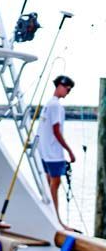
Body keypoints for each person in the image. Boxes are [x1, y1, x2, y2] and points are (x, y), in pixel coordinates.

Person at [37, 75, 76, 231]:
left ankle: (47, 217)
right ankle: (57, 221)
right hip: (53, 153)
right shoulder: (56, 106)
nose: (68, 92)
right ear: (61, 85)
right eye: (68, 89)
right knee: (55, 183)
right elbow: (56, 130)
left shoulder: (48, 104)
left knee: (48, 184)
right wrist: (69, 151)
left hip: (44, 152)